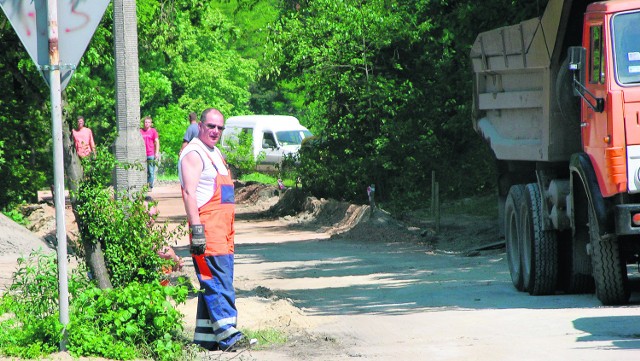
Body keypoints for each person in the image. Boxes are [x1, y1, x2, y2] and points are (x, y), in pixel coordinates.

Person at [179, 108, 252, 352]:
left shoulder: (215, 153)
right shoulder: (194, 153)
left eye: (220, 128)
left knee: (216, 280)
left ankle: (206, 339)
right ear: (200, 125)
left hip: (223, 232)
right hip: (207, 231)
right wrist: (196, 229)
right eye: (211, 126)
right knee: (217, 282)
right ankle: (229, 335)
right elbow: (189, 193)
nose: (215, 131)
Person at [140, 116, 160, 190]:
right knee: (143, 171)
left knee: (151, 171)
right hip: (142, 155)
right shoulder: (140, 131)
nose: (147, 124)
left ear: (151, 123)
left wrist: (156, 152)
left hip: (150, 154)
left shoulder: (153, 131)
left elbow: (157, 141)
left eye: (148, 122)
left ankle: (149, 186)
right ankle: (142, 186)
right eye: (145, 122)